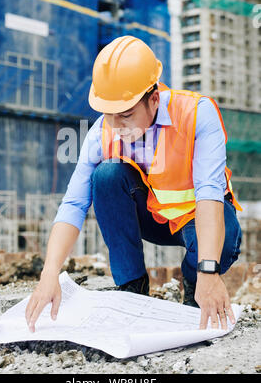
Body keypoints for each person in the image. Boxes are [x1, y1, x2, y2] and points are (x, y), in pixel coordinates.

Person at [25, 35, 242, 333]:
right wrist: (49, 273)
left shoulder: (196, 114)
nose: (116, 126)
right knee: (106, 176)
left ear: (153, 99)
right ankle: (132, 290)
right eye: (109, 115)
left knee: (225, 239)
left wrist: (208, 270)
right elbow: (74, 203)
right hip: (154, 219)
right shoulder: (102, 132)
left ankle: (194, 284)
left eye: (126, 115)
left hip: (199, 220)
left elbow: (209, 193)